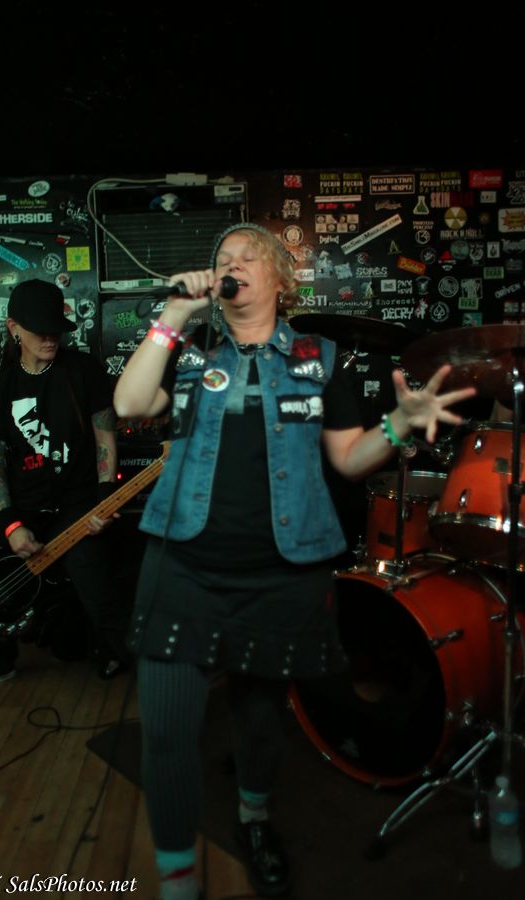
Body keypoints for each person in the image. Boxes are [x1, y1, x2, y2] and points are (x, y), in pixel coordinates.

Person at [113, 223, 475, 900]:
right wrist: (173, 314)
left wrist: (399, 424)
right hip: (182, 566)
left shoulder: (319, 357)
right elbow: (130, 404)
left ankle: (253, 821)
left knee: (259, 718)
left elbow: (349, 459)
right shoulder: (189, 349)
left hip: (280, 572)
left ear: (280, 279)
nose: (232, 263)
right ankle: (178, 879)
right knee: (165, 733)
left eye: (249, 255)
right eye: (223, 257)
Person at [0, 278, 128, 695]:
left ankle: (126, 656)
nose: (50, 338)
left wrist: (104, 499)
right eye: (39, 330)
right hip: (24, 506)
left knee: (97, 588)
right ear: (14, 328)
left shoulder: (82, 370)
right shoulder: (1, 389)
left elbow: (105, 437)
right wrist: (11, 524)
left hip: (77, 503)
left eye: (55, 329)